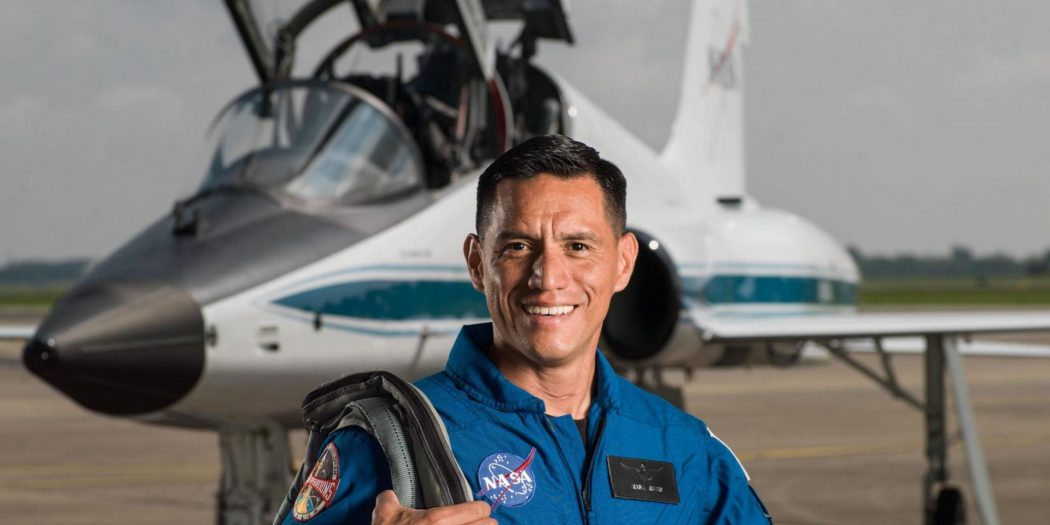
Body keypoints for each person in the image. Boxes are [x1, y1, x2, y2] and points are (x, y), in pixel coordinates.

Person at [281, 135, 772, 524]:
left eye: (578, 247)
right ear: (478, 263)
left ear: (623, 263)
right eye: (517, 247)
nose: (548, 278)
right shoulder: (391, 445)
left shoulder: (685, 448)